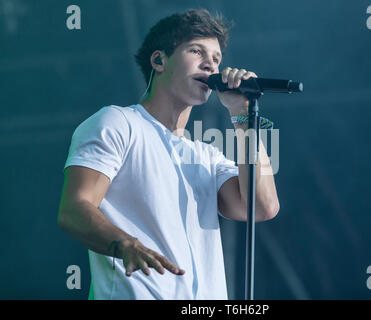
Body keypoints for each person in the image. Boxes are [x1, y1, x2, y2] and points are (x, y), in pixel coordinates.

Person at [57, 8, 279, 300]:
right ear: (159, 60)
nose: (211, 66)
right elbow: (74, 208)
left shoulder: (207, 155)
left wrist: (242, 114)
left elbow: (261, 207)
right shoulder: (119, 123)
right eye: (197, 52)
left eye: (216, 59)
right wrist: (123, 243)